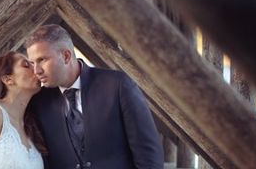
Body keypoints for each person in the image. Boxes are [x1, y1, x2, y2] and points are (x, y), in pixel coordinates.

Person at [25, 24, 164, 169]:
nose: (36, 70)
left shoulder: (118, 85)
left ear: (66, 56)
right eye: (33, 63)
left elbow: (148, 155)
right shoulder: (39, 102)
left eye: (42, 60)